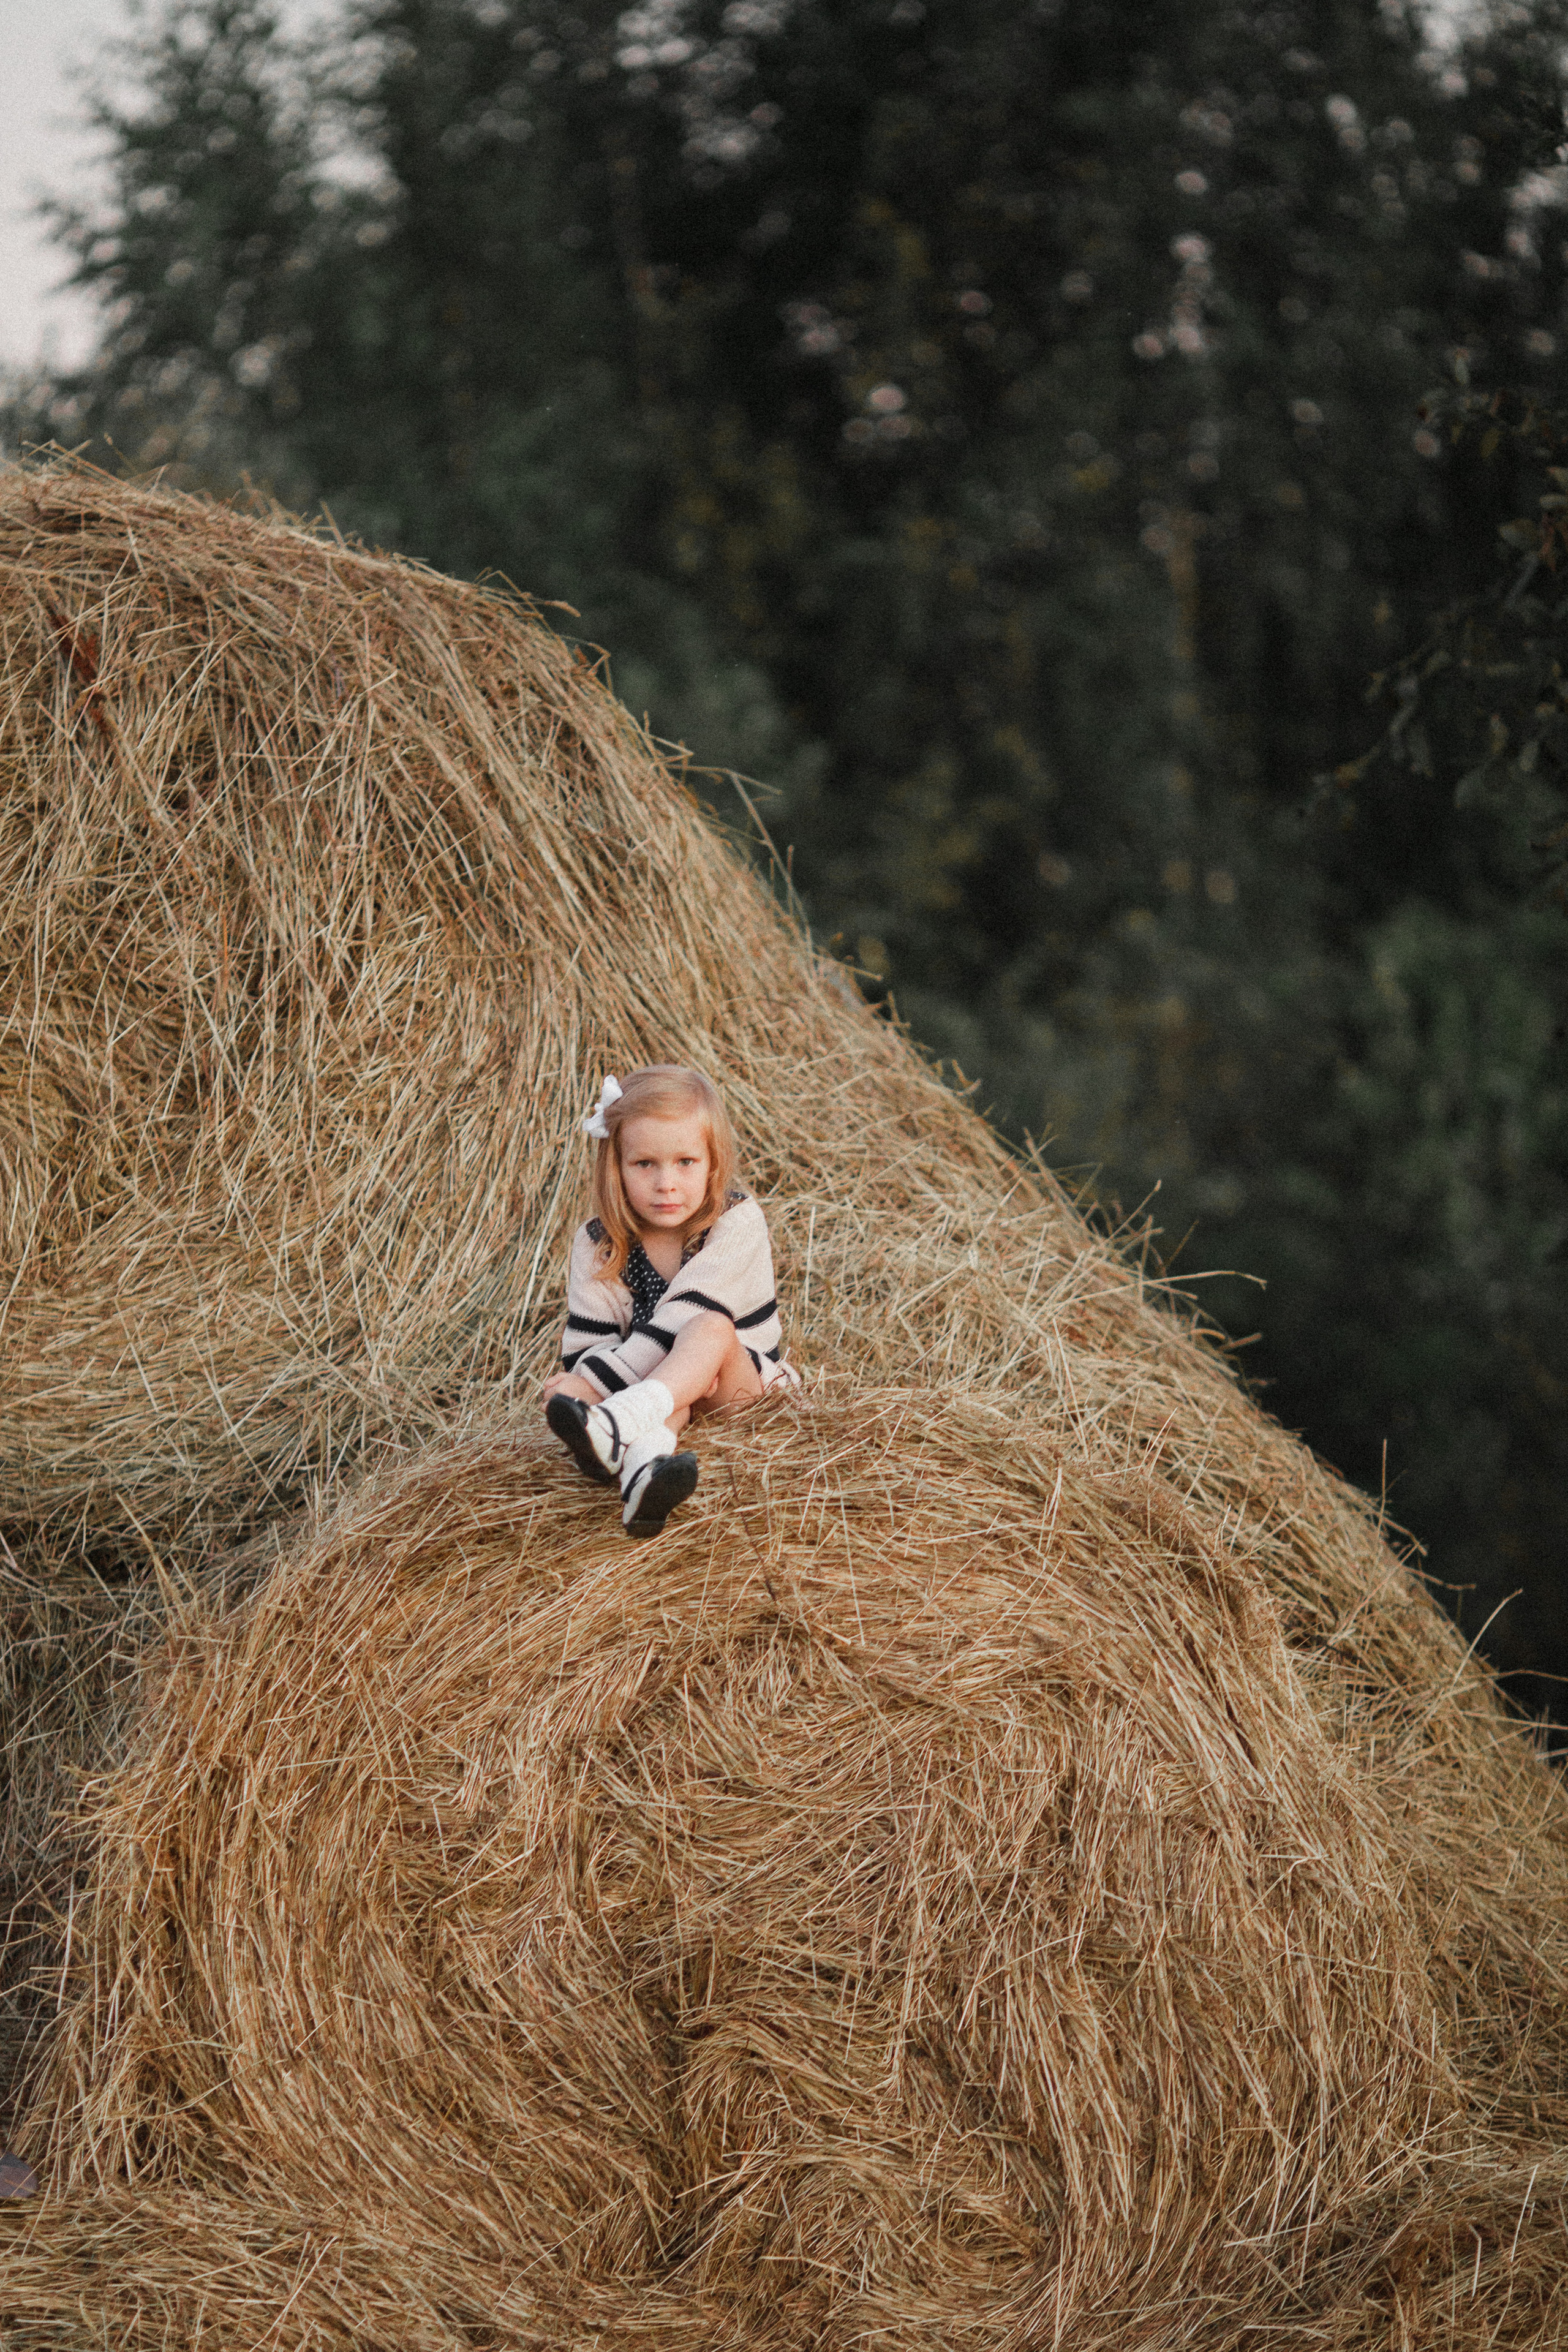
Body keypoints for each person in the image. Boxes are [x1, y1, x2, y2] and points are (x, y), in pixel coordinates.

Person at [543, 1065, 796, 1536]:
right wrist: (579, 1386)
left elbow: (682, 1318)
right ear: (615, 1167)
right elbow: (587, 1348)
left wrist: (598, 1394)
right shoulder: (598, 1242)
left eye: (686, 1162)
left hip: (739, 1391)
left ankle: (617, 1426)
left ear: (713, 1164)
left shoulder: (736, 1221)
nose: (666, 1183)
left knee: (708, 1329)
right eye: (645, 1164)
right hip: (665, 1389)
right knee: (562, 1393)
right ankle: (645, 1471)